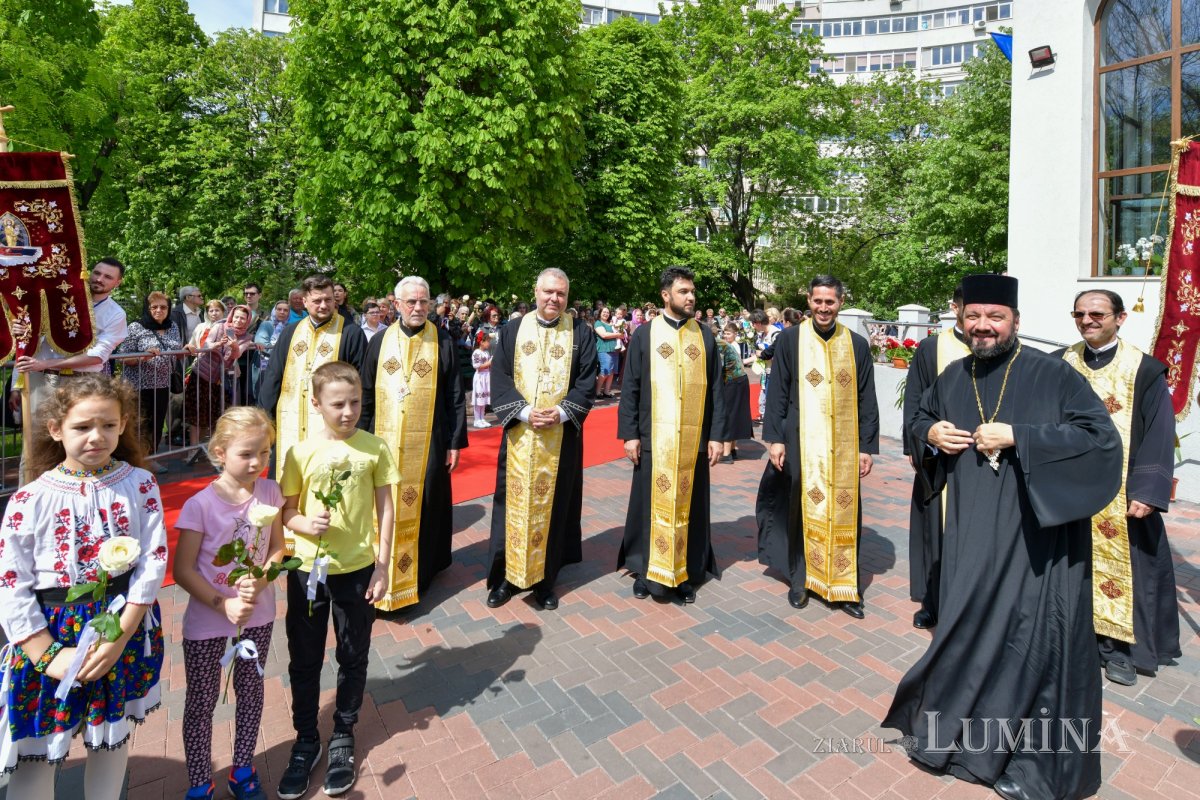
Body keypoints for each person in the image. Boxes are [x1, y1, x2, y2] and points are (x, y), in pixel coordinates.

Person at [882, 274, 1123, 800]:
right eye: (973, 316)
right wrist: (930, 433)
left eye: (995, 317)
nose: (983, 326)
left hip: (1035, 541)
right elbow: (920, 416)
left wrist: (1021, 435)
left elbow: (1100, 440)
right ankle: (960, 741)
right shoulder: (953, 375)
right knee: (966, 628)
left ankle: (1028, 764)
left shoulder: (1052, 374)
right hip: (970, 531)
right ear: (961, 319)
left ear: (1015, 320)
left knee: (1028, 641)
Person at [0, 375, 167, 798]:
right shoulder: (30, 500)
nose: (97, 436)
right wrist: (46, 654)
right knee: (37, 751)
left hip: (120, 623)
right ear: (56, 429)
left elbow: (153, 559)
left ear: (123, 424)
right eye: (82, 426)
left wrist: (120, 635)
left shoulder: (139, 483)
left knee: (110, 737)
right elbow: (11, 582)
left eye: (108, 425)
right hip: (51, 632)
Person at [279, 362, 397, 798]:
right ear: (315, 404)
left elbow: (386, 509)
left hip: (357, 570)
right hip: (308, 572)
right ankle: (306, 738)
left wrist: (382, 565)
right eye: (337, 404)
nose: (348, 412)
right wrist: (304, 524)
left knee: (352, 653)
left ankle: (343, 733)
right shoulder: (299, 453)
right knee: (304, 656)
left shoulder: (374, 449)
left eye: (355, 403)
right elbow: (287, 510)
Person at [1060, 289, 1179, 687]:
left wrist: (1147, 489)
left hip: (1122, 495)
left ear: (1120, 318)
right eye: (1079, 314)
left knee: (1121, 572)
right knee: (1070, 567)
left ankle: (1116, 650)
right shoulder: (1060, 362)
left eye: (1097, 313)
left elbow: (1160, 432)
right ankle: (1073, 639)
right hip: (1068, 491)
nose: (1087, 320)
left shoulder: (1144, 370)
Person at [173, 407, 287, 800]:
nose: (257, 462)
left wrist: (263, 577)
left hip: (257, 614)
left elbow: (278, 548)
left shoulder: (269, 492)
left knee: (250, 690)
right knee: (202, 700)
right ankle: (199, 782)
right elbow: (183, 569)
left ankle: (243, 769)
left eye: (265, 453)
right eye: (246, 454)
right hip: (208, 619)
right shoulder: (200, 505)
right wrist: (223, 605)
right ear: (220, 452)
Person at [756, 275, 879, 618]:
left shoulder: (856, 344)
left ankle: (845, 586)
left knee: (843, 509)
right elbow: (778, 392)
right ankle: (802, 579)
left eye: (830, 302)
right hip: (801, 440)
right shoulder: (791, 340)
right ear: (809, 301)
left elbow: (867, 398)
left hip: (844, 446)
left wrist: (866, 447)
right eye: (818, 301)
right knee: (801, 508)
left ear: (840, 302)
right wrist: (775, 439)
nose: (824, 308)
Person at [485, 268, 598, 611]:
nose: (554, 298)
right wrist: (523, 412)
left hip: (560, 439)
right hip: (520, 437)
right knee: (512, 506)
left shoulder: (580, 332)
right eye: (548, 292)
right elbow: (499, 376)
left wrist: (561, 413)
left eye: (561, 293)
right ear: (535, 291)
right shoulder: (513, 329)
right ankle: (506, 579)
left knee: (555, 507)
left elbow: (587, 380)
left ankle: (544, 581)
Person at [617, 267, 726, 604]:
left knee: (689, 506)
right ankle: (645, 569)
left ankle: (685, 571)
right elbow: (631, 386)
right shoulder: (645, 334)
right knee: (648, 505)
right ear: (666, 295)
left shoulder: (704, 336)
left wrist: (717, 435)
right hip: (654, 438)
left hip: (693, 441)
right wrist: (630, 434)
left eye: (692, 291)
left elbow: (717, 389)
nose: (691, 297)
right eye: (683, 292)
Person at [360, 277, 466, 612]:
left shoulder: (442, 340)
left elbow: (454, 394)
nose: (418, 308)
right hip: (382, 439)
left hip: (430, 441)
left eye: (424, 301)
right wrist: (358, 438)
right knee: (380, 505)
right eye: (411, 302)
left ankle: (420, 575)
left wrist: (454, 442)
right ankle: (376, 572)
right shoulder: (380, 341)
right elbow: (365, 391)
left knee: (427, 504)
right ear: (397, 304)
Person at [257, 274, 368, 502]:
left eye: (328, 299)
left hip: (330, 425)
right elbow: (274, 376)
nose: (324, 305)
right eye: (317, 300)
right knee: (284, 487)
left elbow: (359, 385)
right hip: (290, 422)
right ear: (305, 301)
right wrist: (265, 419)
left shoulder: (350, 333)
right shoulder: (290, 332)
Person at [901, 283, 970, 630]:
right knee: (936, 531)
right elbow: (914, 402)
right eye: (970, 309)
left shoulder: (999, 348)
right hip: (939, 459)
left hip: (985, 460)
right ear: (955, 308)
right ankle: (933, 601)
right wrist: (919, 443)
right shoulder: (932, 348)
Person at [11, 257, 128, 410]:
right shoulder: (53, 300)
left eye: (108, 277)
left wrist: (47, 364)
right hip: (40, 380)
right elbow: (28, 342)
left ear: (118, 283)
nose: (99, 279)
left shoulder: (116, 314)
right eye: (97, 273)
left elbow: (97, 356)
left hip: (82, 383)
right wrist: (16, 383)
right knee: (39, 426)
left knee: (79, 425)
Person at [116, 291, 185, 462]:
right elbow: (122, 357)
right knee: (137, 425)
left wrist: (185, 351)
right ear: (147, 308)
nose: (159, 310)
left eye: (163, 307)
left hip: (162, 384)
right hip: (137, 386)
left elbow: (175, 351)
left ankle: (150, 459)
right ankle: (133, 460)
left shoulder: (172, 326)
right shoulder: (135, 327)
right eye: (154, 307)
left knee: (156, 424)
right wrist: (143, 356)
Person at [185, 306, 253, 452]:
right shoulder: (219, 326)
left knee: (210, 415)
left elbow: (236, 355)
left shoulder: (246, 337)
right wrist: (217, 344)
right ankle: (192, 450)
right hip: (202, 374)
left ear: (247, 320)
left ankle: (199, 447)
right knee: (197, 413)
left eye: (242, 318)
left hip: (219, 380)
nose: (238, 320)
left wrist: (234, 346)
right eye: (236, 317)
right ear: (231, 316)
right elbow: (206, 344)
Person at [718, 322, 752, 462]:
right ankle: (732, 450)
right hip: (741, 380)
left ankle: (726, 454)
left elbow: (718, 368)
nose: (725, 336)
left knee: (728, 416)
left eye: (728, 333)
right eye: (724, 333)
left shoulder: (718, 345)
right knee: (734, 415)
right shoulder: (724, 344)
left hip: (732, 382)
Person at [253, 300, 291, 377]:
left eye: (285, 310)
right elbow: (262, 344)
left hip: (283, 364)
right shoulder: (266, 325)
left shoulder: (290, 327)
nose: (282, 312)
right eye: (279, 309)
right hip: (264, 362)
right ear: (274, 310)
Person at [594, 307, 621, 399]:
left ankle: (606, 391)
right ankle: (597, 392)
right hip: (604, 349)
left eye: (607, 312)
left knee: (611, 371)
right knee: (605, 371)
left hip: (614, 349)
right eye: (604, 312)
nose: (606, 314)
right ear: (600, 313)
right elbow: (604, 335)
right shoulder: (598, 323)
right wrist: (618, 335)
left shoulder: (611, 323)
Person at [471, 332, 493, 428]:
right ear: (481, 342)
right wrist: (489, 363)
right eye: (487, 341)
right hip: (480, 377)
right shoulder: (476, 352)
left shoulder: (486, 353)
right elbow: (477, 366)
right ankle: (477, 419)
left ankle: (482, 418)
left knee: (483, 398)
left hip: (486, 376)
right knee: (478, 398)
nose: (489, 343)